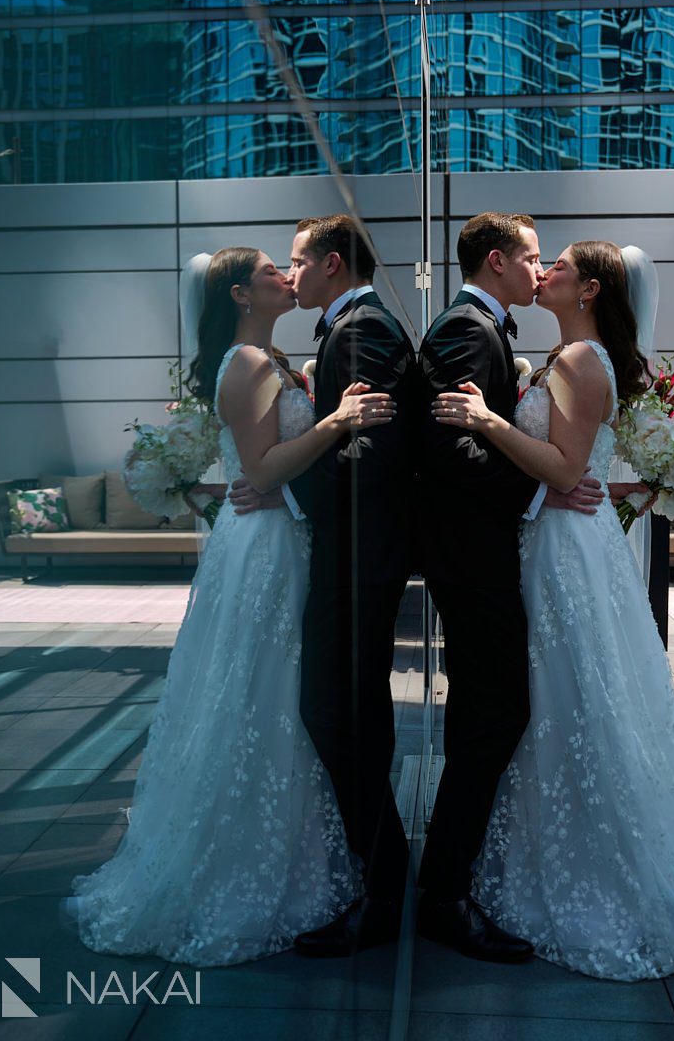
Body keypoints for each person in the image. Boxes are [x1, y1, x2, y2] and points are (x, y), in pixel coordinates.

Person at [434, 240, 674, 980]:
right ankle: (535, 843)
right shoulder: (566, 358)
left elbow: (564, 468)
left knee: (569, 695)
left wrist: (483, 420)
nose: (544, 271)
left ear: (587, 289)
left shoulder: (578, 362)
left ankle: (584, 858)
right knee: (556, 696)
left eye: (556, 265)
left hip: (563, 548)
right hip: (554, 538)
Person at [63, 247, 394, 967]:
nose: (288, 274)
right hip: (265, 550)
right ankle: (244, 866)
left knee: (284, 697)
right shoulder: (245, 364)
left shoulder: (270, 358)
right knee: (259, 694)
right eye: (274, 270)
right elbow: (261, 469)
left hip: (287, 538)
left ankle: (300, 851)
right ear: (242, 294)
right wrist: (337, 420)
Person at [414, 212, 605, 964]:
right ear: (497, 262)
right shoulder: (467, 327)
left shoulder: (492, 328)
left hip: (492, 553)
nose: (537, 270)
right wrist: (538, 492)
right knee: (490, 720)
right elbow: (448, 450)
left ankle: (450, 878)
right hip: (472, 558)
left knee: (489, 719)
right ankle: (446, 896)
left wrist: (540, 483)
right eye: (531, 258)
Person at [281, 215, 418, 958]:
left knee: (339, 716)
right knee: (345, 712)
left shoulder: (362, 329)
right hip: (353, 553)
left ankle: (380, 886)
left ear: (332, 264)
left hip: (357, 557)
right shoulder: (353, 325)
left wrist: (284, 488)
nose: (289, 273)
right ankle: (380, 870)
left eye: (297, 262)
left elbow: (370, 454)